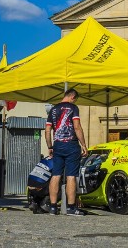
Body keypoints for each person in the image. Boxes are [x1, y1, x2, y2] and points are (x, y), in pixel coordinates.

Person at [45, 88, 88, 216]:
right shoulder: (73, 108)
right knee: (70, 176)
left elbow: (47, 130)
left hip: (57, 145)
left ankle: (53, 207)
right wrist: (84, 145)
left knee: (56, 175)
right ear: (73, 97)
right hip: (71, 145)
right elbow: (77, 126)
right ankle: (70, 208)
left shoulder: (52, 110)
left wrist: (50, 146)